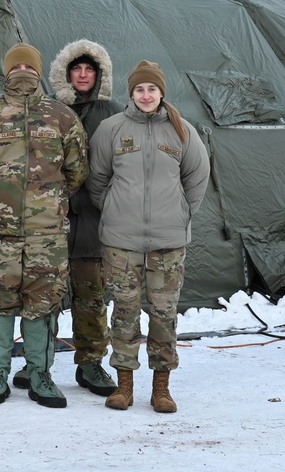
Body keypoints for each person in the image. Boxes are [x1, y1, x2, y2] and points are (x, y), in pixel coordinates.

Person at [0, 42, 88, 408]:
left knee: (42, 303)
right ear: (6, 72)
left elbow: (76, 169)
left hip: (47, 233)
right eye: (16, 68)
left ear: (39, 71)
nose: (23, 73)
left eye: (29, 68)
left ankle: (40, 374)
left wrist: (49, 202)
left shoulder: (60, 116)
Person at [87, 60, 209, 413]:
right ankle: (124, 385)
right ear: (131, 93)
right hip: (121, 241)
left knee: (163, 313)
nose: (145, 94)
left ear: (161, 92)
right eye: (139, 89)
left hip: (168, 241)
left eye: (151, 88)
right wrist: (113, 207)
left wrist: (181, 213)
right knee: (124, 312)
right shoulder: (112, 129)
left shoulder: (182, 130)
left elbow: (197, 178)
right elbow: (97, 179)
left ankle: (161, 388)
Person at [14, 39, 121, 397]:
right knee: (44, 295)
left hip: (94, 219)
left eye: (90, 69)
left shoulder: (114, 114)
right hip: (51, 219)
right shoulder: (47, 110)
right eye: (77, 69)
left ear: (100, 73)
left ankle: (91, 364)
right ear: (66, 73)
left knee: (91, 296)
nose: (84, 75)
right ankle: (37, 364)